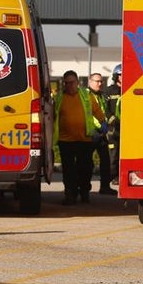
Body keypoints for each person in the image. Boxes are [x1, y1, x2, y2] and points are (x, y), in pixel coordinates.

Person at [54, 70, 106, 205]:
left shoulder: (86, 95)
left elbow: (97, 111)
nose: (69, 85)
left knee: (85, 169)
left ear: (77, 82)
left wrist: (103, 123)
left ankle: (84, 193)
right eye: (66, 83)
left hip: (84, 140)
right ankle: (70, 194)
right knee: (68, 170)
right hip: (65, 141)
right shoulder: (60, 97)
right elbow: (53, 115)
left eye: (71, 82)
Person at [87, 72, 117, 195]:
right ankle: (84, 187)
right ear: (90, 81)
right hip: (91, 132)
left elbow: (104, 111)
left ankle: (105, 186)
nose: (99, 83)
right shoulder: (86, 95)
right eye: (97, 81)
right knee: (87, 162)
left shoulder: (102, 95)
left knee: (105, 161)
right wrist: (101, 125)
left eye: (101, 81)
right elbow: (90, 114)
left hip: (101, 133)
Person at [103, 63, 123, 185]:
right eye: (120, 74)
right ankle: (113, 176)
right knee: (113, 155)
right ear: (116, 76)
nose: (122, 77)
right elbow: (105, 108)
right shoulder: (109, 91)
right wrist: (111, 119)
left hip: (127, 128)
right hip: (113, 129)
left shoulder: (129, 89)